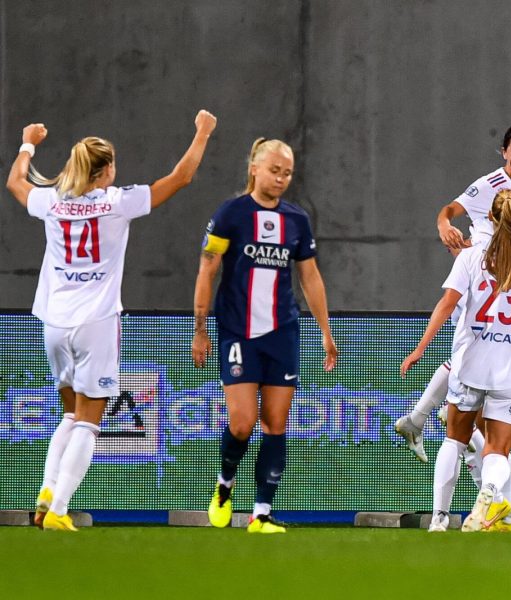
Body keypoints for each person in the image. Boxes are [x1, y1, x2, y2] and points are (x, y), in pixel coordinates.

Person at [6, 110, 218, 531]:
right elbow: (180, 178)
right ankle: (61, 512)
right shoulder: (117, 203)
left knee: (69, 414)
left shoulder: (52, 201)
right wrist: (203, 133)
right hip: (96, 321)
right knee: (90, 418)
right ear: (103, 173)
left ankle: (46, 495)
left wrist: (28, 142)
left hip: (53, 321)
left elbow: (15, 182)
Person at [193, 137, 338, 534]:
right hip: (237, 331)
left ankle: (261, 513)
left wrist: (326, 331)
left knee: (276, 422)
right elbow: (208, 270)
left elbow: (310, 276)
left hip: (282, 333)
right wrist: (200, 328)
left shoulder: (297, 220)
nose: (281, 178)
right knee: (242, 422)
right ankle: (225, 485)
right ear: (254, 168)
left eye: (287, 172)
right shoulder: (230, 214)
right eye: (274, 170)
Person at [395, 123, 511, 463]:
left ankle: (422, 417)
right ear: (504, 152)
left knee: (482, 359)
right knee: (475, 348)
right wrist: (444, 226)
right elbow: (449, 211)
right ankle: (426, 417)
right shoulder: (492, 184)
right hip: (484, 280)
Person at [401, 189, 511, 533]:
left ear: (490, 218)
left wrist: (420, 348)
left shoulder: (471, 257)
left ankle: (439, 520)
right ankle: (489, 495)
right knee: (498, 449)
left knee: (454, 441)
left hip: (471, 364)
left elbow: (446, 305)